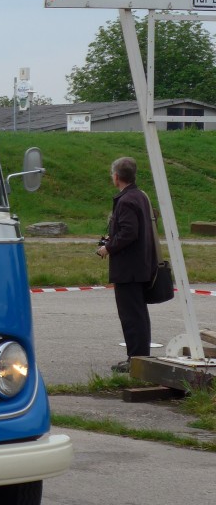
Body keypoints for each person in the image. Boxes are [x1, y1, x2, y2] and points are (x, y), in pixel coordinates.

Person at [96, 156, 156, 371]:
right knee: (138, 314)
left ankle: (136, 360)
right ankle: (140, 358)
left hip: (128, 269)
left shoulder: (126, 200)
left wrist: (108, 247)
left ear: (116, 177)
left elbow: (129, 232)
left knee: (131, 317)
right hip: (140, 265)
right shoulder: (140, 196)